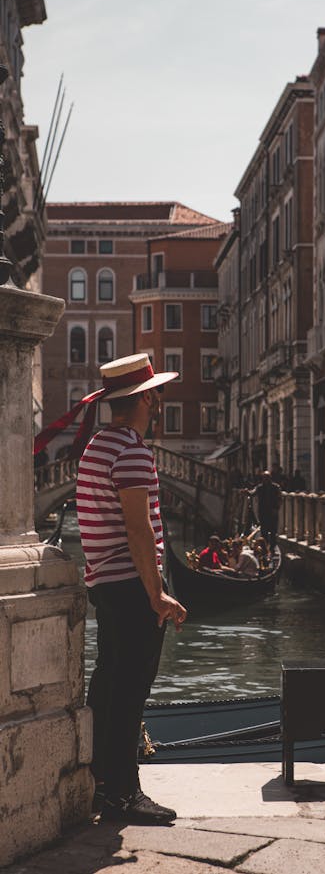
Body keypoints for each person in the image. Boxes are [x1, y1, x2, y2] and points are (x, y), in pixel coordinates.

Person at [75, 353, 187, 825]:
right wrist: (157, 592)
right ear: (145, 399)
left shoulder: (95, 447)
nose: (160, 400)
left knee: (109, 684)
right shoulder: (133, 451)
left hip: (104, 583)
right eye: (156, 392)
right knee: (131, 691)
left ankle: (103, 783)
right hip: (129, 586)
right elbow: (140, 531)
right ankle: (125, 793)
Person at [252, 470, 282, 551]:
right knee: (264, 531)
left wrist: (276, 509)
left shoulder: (276, 487)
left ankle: (272, 548)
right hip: (263, 512)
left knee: (273, 531)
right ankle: (265, 548)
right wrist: (247, 492)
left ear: (270, 478)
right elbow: (253, 493)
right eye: (264, 478)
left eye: (267, 477)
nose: (266, 479)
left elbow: (279, 499)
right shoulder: (259, 487)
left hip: (273, 512)